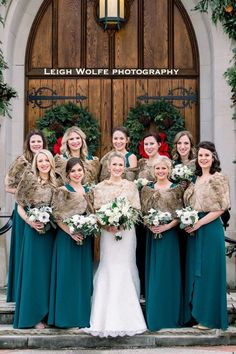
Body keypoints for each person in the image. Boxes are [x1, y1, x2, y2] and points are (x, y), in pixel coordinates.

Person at [84, 152, 147, 337]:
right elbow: (96, 210)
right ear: (109, 167)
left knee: (126, 267)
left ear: (124, 167)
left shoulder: (131, 187)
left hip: (126, 233)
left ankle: (129, 314)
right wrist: (107, 223)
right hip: (108, 234)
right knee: (109, 266)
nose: (118, 168)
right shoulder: (100, 187)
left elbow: (136, 209)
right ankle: (103, 316)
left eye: (121, 165)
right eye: (115, 165)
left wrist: (122, 221)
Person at [183, 141, 230, 330]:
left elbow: (221, 207)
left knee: (209, 272)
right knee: (196, 272)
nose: (203, 159)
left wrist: (199, 223)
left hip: (210, 229)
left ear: (213, 158)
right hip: (195, 230)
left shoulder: (219, 178)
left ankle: (209, 319)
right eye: (200, 155)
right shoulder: (194, 180)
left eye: (207, 155)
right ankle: (196, 315)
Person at [13, 150, 58, 329]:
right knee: (35, 273)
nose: (44, 163)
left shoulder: (58, 182)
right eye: (40, 161)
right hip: (34, 233)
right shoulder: (29, 181)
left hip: (52, 234)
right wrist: (31, 222)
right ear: (36, 163)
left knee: (49, 274)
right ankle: (34, 316)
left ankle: (49, 315)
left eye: (46, 160)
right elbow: (20, 208)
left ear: (51, 162)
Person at [48, 158, 93, 328]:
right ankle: (64, 318)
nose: (76, 174)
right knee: (66, 276)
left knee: (81, 277)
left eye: (79, 170)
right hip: (66, 238)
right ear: (67, 174)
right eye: (73, 171)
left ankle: (81, 316)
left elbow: (92, 214)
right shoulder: (62, 190)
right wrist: (71, 232)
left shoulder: (89, 190)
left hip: (84, 238)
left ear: (84, 171)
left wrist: (86, 228)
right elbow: (57, 216)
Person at [141, 156, 184, 330]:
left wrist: (166, 227)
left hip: (170, 236)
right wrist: (150, 225)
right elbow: (142, 212)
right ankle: (155, 315)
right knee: (155, 273)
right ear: (154, 170)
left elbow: (180, 213)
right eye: (157, 168)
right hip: (153, 235)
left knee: (169, 273)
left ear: (169, 169)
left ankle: (170, 315)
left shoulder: (176, 189)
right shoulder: (147, 189)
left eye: (163, 168)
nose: (160, 171)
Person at [5, 130, 47, 302]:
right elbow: (8, 186)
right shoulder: (21, 162)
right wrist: (27, 193)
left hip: (44, 211)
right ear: (28, 144)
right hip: (25, 210)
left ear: (44, 143)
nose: (36, 144)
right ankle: (19, 292)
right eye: (33, 142)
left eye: (39, 141)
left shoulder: (47, 159)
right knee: (23, 252)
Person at [136, 132, 162, 295]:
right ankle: (144, 289)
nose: (149, 147)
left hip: (159, 213)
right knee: (141, 250)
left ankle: (157, 288)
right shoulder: (141, 163)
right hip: (141, 213)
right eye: (146, 144)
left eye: (152, 143)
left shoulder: (164, 162)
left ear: (159, 144)